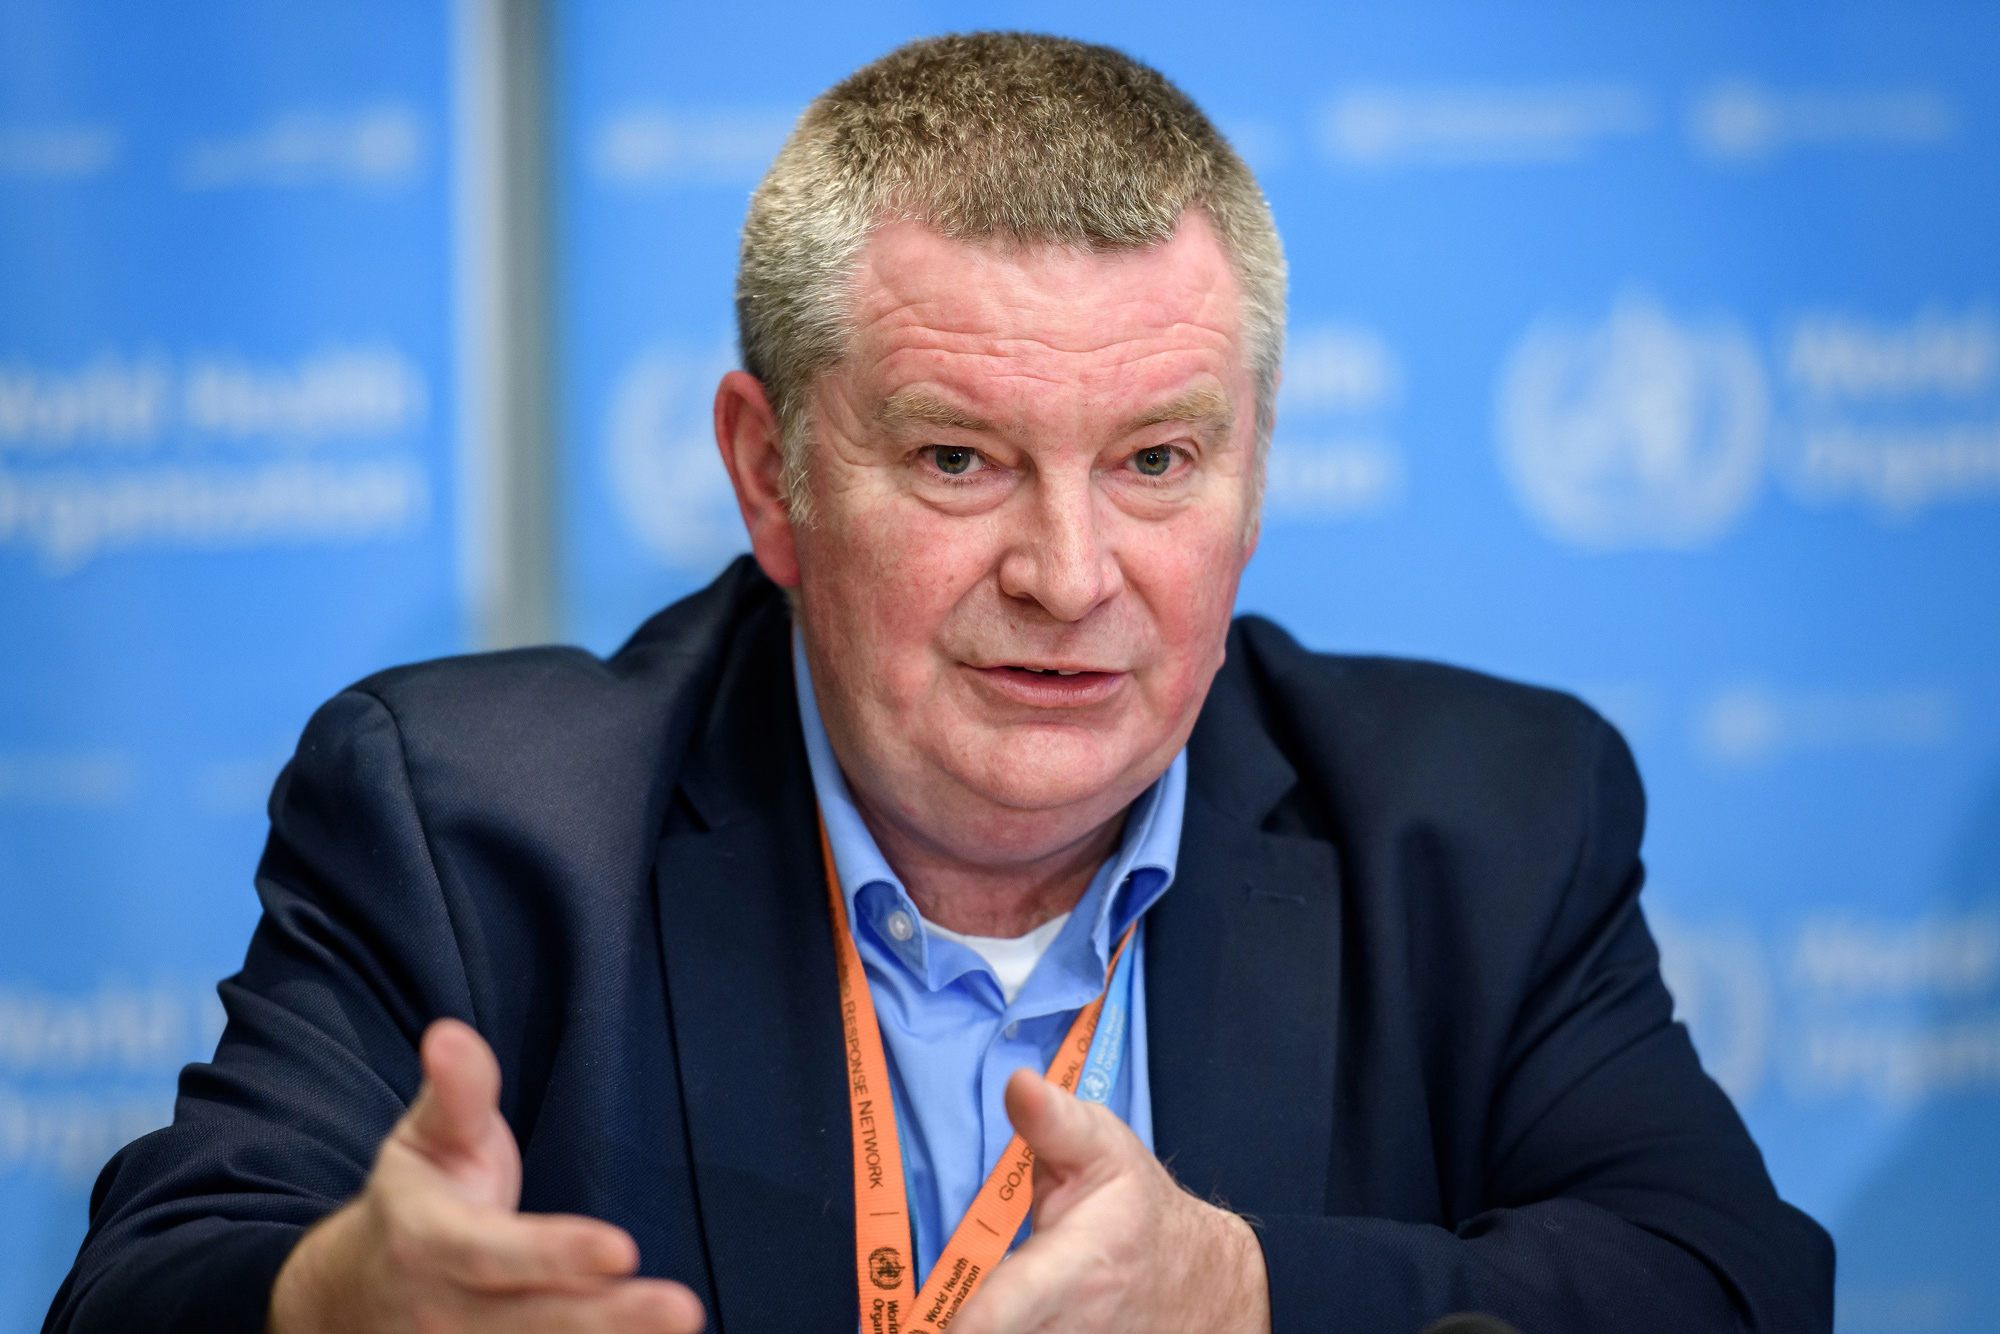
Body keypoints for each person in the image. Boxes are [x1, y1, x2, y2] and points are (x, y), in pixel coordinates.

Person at [44, 32, 1832, 1334]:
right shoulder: (477, 828)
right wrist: (326, 1306)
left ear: (1259, 470)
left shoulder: (1481, 819)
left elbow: (1730, 1281)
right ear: (772, 474)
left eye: (1155, 459)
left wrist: (1252, 1291)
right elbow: (142, 1283)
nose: (1069, 573)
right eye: (962, 459)